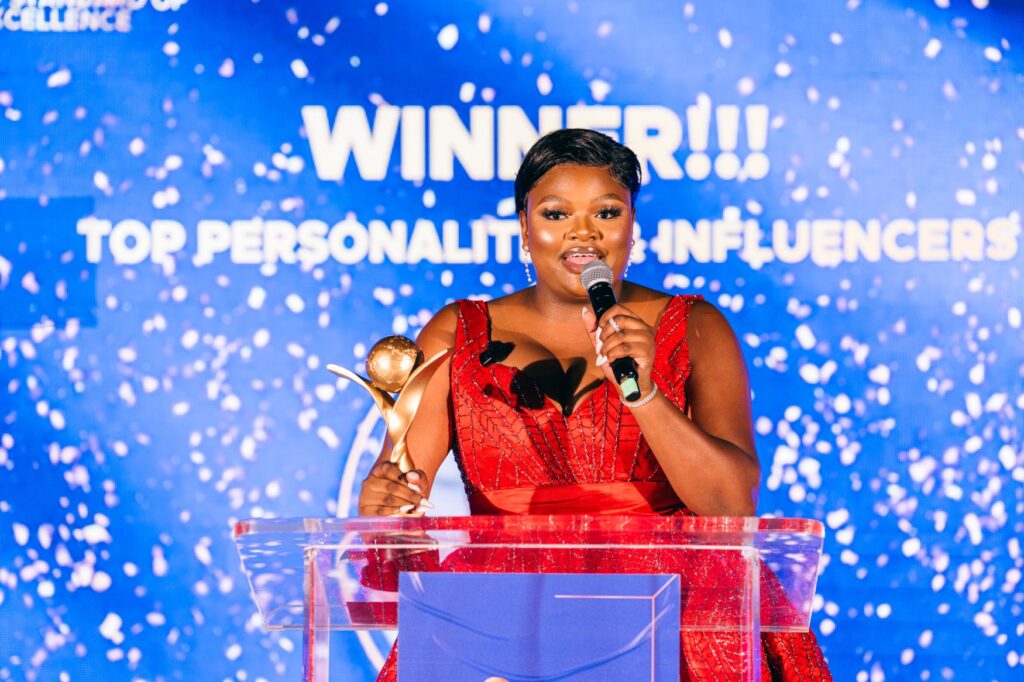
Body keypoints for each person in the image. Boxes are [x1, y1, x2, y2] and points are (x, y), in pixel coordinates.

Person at [358, 128, 831, 680]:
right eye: (556, 214)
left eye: (606, 212)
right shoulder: (457, 334)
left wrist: (644, 394)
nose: (582, 232)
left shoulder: (695, 327)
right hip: (502, 620)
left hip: (674, 620)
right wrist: (382, 509)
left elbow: (733, 506)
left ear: (632, 224)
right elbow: (397, 504)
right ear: (524, 228)